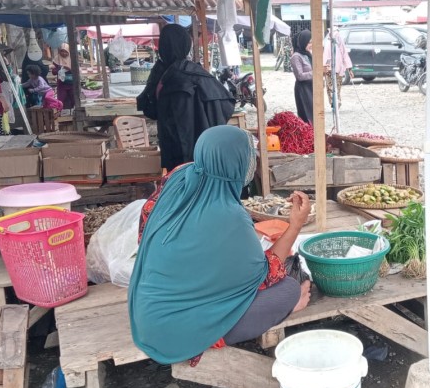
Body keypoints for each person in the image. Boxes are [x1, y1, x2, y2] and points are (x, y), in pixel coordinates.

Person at [129, 125, 312, 365]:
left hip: (146, 315)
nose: (251, 166)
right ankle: (211, 337)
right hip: (175, 335)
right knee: (288, 290)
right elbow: (266, 276)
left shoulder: (178, 177)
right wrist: (295, 225)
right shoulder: (229, 216)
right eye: (248, 159)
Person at [137, 24, 235, 171]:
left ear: (162, 47)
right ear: (186, 44)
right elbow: (226, 104)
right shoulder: (196, 72)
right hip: (204, 150)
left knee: (180, 185)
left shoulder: (164, 75)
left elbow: (150, 110)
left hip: (174, 151)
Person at [323, 27, 351, 109]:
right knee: (330, 87)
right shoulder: (327, 43)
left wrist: (349, 68)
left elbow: (345, 55)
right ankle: (333, 102)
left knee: (337, 87)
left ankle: (337, 101)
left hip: (338, 70)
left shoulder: (340, 43)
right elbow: (326, 57)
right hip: (329, 70)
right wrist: (325, 67)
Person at [290, 30, 314, 123]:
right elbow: (299, 76)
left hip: (311, 87)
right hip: (303, 90)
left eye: (311, 42)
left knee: (314, 113)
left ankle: (315, 135)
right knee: (307, 115)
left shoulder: (308, 54)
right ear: (303, 42)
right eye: (309, 42)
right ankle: (310, 136)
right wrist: (315, 73)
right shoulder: (296, 56)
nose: (311, 44)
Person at [51, 43, 75, 110]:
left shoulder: (72, 58)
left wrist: (69, 69)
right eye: (62, 51)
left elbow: (77, 71)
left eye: (66, 51)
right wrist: (60, 68)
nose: (64, 53)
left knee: (74, 99)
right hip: (62, 84)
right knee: (60, 100)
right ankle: (60, 113)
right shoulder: (57, 58)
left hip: (72, 83)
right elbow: (53, 72)